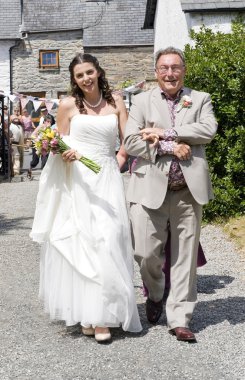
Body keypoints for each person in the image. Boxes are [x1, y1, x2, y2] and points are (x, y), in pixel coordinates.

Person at [30, 53, 142, 343]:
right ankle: (93, 315)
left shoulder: (116, 101)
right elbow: (61, 143)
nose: (86, 79)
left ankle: (105, 312)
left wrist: (117, 161)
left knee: (109, 237)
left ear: (98, 71)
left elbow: (127, 139)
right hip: (77, 179)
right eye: (80, 75)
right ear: (74, 79)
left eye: (89, 72)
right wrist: (63, 152)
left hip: (106, 177)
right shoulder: (68, 105)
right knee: (84, 242)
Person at [124, 46, 218, 342]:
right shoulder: (140, 101)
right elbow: (130, 140)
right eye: (164, 68)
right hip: (148, 187)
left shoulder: (200, 98)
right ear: (156, 72)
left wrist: (165, 132)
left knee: (185, 257)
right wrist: (168, 146)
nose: (170, 73)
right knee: (145, 252)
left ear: (184, 70)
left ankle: (180, 317)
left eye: (175, 68)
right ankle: (155, 292)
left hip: (187, 191)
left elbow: (208, 130)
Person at [29, 106, 55, 172]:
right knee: (35, 160)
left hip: (46, 145)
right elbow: (32, 135)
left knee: (45, 159)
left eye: (50, 122)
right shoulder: (41, 126)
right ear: (44, 121)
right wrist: (37, 139)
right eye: (47, 122)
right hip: (37, 144)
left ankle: (44, 172)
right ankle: (30, 168)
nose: (48, 123)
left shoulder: (51, 128)